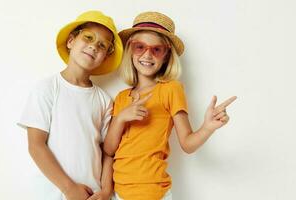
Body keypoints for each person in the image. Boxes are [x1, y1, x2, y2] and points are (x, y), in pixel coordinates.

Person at [103, 11, 237, 200]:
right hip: (119, 193)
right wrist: (121, 118)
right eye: (140, 47)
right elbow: (109, 150)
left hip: (153, 192)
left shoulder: (170, 90)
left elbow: (188, 144)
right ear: (130, 51)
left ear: (166, 55)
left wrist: (207, 127)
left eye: (156, 49)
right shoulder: (122, 97)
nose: (147, 54)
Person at [18, 10, 123, 200]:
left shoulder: (104, 100)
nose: (93, 47)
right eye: (88, 38)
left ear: (105, 57)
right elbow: (35, 145)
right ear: (71, 41)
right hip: (53, 193)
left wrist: (106, 191)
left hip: (92, 194)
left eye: (102, 45)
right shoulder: (48, 88)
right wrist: (69, 188)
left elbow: (108, 152)